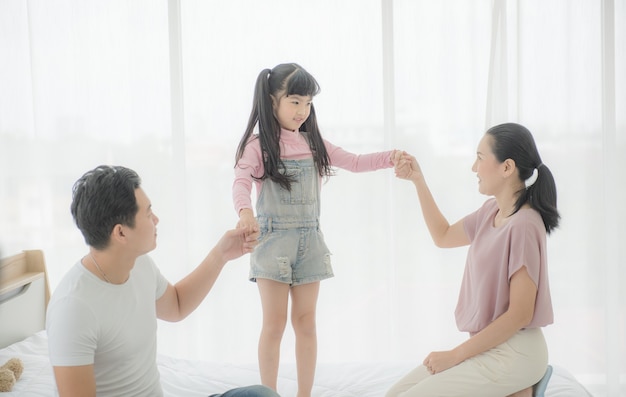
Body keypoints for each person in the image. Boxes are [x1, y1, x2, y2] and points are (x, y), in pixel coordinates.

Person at [233, 63, 400, 397]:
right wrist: (245, 213)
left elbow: (354, 161)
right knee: (275, 324)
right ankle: (269, 392)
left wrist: (391, 156)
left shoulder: (313, 142)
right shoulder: (258, 145)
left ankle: (304, 395)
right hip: (272, 243)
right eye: (295, 101)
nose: (302, 110)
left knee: (306, 323)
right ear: (272, 101)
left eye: (308, 103)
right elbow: (239, 181)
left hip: (310, 241)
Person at [46, 165, 279, 397]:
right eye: (148, 213)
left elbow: (176, 305)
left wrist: (221, 255)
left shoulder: (139, 264)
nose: (156, 219)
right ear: (121, 233)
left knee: (261, 395)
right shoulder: (73, 308)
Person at [387, 123, 560, 397]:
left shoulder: (524, 225)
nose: (473, 168)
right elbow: (442, 236)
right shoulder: (491, 211)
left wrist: (454, 356)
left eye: (480, 158)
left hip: (516, 352)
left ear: (507, 168)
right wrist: (418, 180)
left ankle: (519, 383)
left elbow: (520, 314)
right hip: (492, 347)